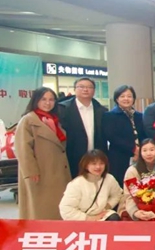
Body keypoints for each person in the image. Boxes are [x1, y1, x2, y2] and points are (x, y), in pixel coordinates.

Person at [15, 88, 72, 220]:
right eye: (44, 99)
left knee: (59, 206)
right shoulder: (28, 120)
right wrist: (31, 171)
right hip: (40, 171)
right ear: (36, 100)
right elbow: (23, 149)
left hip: (57, 170)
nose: (48, 103)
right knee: (40, 208)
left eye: (51, 99)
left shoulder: (55, 120)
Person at [58, 77, 107, 178]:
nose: (85, 89)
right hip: (72, 157)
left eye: (89, 87)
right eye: (81, 87)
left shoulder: (101, 110)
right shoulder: (63, 109)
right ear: (74, 89)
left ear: (94, 91)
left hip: (96, 158)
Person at [102, 85, 147, 187]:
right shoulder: (109, 116)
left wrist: (142, 149)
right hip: (119, 156)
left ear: (133, 99)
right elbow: (111, 136)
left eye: (129, 96)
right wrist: (133, 148)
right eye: (122, 96)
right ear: (117, 99)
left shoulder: (139, 116)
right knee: (121, 184)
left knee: (140, 184)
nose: (126, 99)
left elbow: (144, 134)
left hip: (140, 155)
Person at [59, 150, 122, 221]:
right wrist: (89, 218)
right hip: (82, 218)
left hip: (102, 215)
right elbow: (66, 208)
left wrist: (107, 207)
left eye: (101, 163)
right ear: (86, 165)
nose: (98, 167)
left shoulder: (109, 179)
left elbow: (117, 194)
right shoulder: (76, 184)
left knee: (114, 218)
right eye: (94, 164)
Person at [123, 139, 155, 221]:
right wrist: (135, 212)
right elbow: (128, 196)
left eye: (152, 150)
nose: (148, 153)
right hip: (137, 208)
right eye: (144, 150)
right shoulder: (132, 171)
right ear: (140, 153)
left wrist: (154, 209)